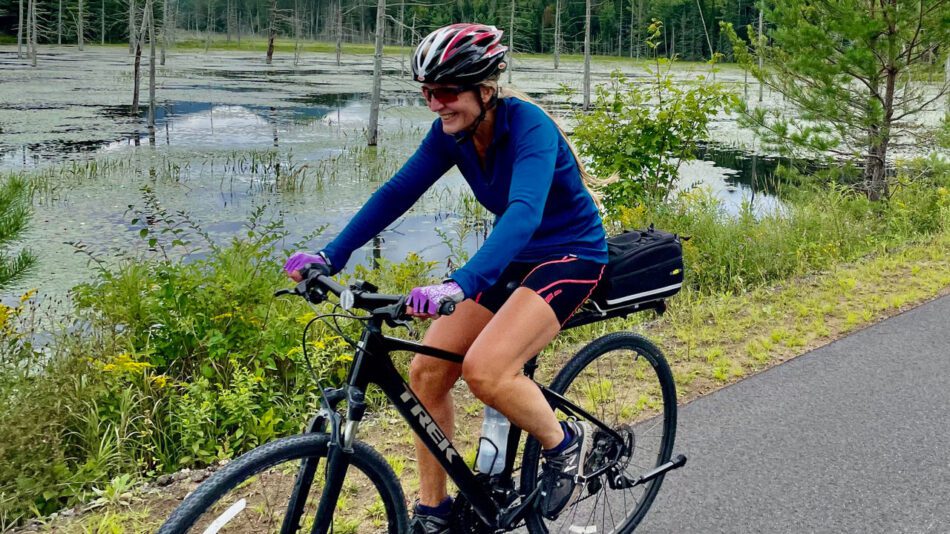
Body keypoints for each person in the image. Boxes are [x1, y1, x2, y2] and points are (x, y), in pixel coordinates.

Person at [283, 23, 609, 533]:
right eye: (427, 93)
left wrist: (458, 284)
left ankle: (564, 444)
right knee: (426, 375)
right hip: (510, 258)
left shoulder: (530, 127)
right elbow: (396, 194)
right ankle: (433, 512)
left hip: (570, 255)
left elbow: (523, 213)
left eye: (446, 92)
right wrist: (331, 254)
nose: (435, 104)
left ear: (485, 88)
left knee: (486, 372)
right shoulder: (451, 135)